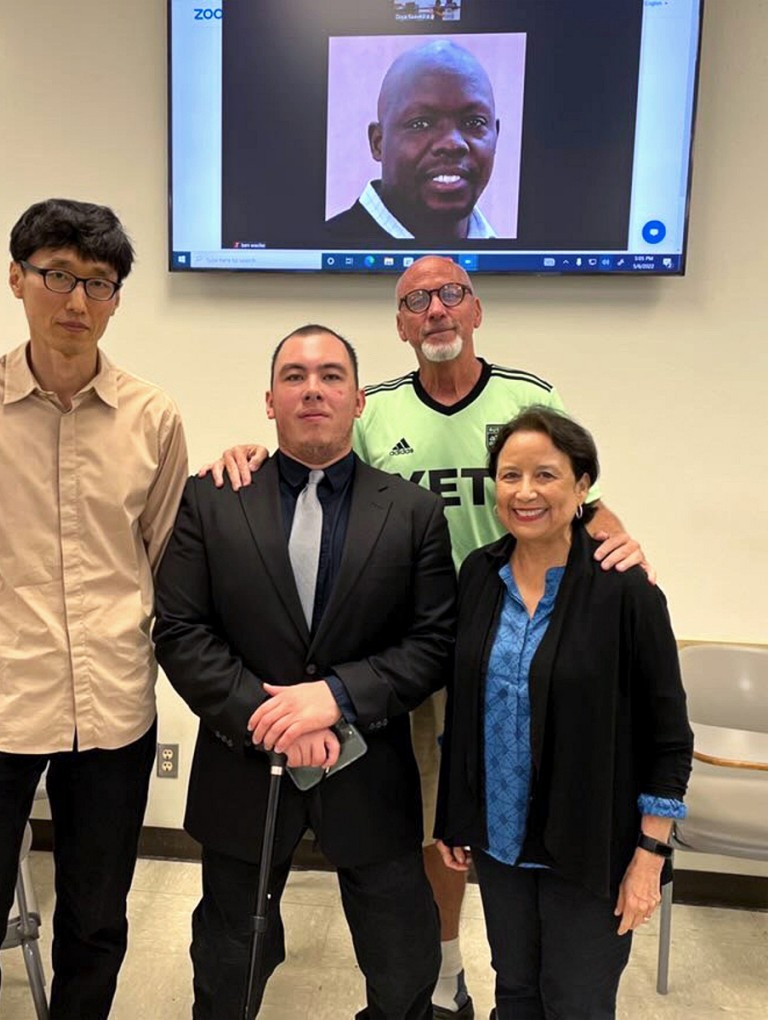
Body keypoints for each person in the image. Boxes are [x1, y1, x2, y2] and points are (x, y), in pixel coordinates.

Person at [204, 255, 649, 1019]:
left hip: (517, 642)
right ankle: (446, 972)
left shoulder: (527, 396)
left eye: (451, 295)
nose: (436, 311)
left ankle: (541, 965)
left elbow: (579, 491)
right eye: (416, 301)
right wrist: (247, 451)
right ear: (400, 325)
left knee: (515, 812)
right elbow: (316, 465)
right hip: (410, 648)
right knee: (432, 822)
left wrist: (621, 542)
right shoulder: (374, 408)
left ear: (475, 309)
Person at [0, 198, 188, 1019]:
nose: (76, 302)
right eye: (57, 276)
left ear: (116, 300)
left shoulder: (154, 417)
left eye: (97, 284)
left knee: (97, 921)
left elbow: (165, 555)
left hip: (111, 711)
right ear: (17, 279)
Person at [154, 325, 456, 1019]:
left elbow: (433, 640)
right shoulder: (213, 498)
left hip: (368, 767)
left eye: (330, 376)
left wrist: (336, 698)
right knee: (231, 955)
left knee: (403, 954)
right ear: (270, 400)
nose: (312, 388)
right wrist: (275, 723)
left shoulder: (412, 514)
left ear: (357, 402)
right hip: (244, 765)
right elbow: (180, 630)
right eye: (294, 376)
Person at [434, 406, 692, 1019]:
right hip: (499, 843)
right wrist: (456, 813)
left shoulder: (625, 590)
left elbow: (669, 736)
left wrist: (649, 859)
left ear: (582, 488)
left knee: (575, 1003)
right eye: (510, 475)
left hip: (590, 848)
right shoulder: (478, 575)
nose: (525, 492)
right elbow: (465, 707)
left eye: (546, 476)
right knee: (516, 993)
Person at [326, 41, 499, 244]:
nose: (452, 144)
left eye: (473, 122)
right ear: (378, 143)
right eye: (420, 123)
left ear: (496, 135)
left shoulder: (509, 261)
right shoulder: (328, 244)